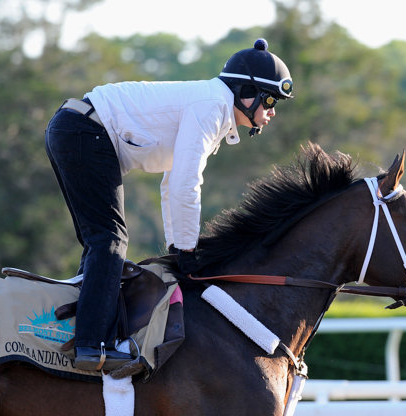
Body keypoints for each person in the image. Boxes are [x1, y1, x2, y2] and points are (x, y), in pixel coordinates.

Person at [45, 38, 294, 372]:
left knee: (102, 240)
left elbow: (170, 184)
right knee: (109, 239)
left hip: (77, 126)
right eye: (270, 99)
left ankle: (82, 335)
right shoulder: (211, 107)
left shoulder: (213, 108)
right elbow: (184, 185)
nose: (272, 111)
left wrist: (179, 248)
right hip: (83, 130)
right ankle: (92, 345)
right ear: (246, 93)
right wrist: (187, 252)